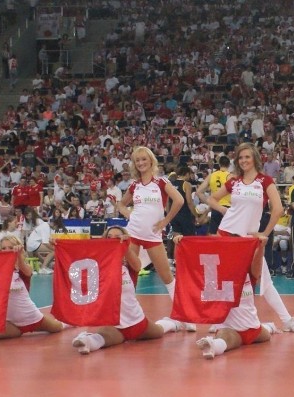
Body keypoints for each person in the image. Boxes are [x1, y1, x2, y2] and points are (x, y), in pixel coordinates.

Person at [206, 143, 294, 333]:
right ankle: (220, 320)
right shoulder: (233, 181)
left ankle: (287, 320)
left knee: (264, 280)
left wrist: (264, 234)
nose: (243, 161)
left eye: (247, 157)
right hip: (225, 234)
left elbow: (278, 210)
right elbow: (211, 199)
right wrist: (226, 211)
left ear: (255, 159)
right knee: (224, 280)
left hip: (249, 240)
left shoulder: (265, 181)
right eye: (240, 158)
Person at [72, 226, 194, 354]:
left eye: (117, 236)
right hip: (114, 324)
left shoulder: (128, 265)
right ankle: (86, 341)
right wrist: (57, 246)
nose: (113, 239)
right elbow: (78, 258)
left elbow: (137, 265)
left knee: (158, 331)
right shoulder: (98, 266)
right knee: (103, 338)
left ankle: (176, 323)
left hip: (137, 321)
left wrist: (125, 247)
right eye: (109, 237)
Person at [185, 234, 279, 359]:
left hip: (252, 328)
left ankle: (269, 326)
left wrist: (261, 247)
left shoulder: (248, 274)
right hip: (229, 328)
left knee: (265, 335)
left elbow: (257, 269)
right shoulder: (215, 275)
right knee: (226, 339)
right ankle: (212, 345)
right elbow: (190, 262)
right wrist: (181, 244)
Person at [117, 146, 184, 301]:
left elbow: (179, 200)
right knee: (129, 275)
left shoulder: (161, 182)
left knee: (166, 276)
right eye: (137, 160)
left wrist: (165, 221)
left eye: (144, 159)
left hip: (153, 235)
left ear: (151, 160)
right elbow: (121, 204)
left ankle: (182, 314)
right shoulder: (134, 185)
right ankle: (126, 312)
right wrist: (129, 214)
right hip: (133, 234)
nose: (141, 163)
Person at [197, 155, 232, 235]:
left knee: (213, 234)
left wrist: (209, 202)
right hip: (227, 208)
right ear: (229, 165)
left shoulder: (212, 175)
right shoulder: (230, 176)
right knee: (228, 235)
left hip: (215, 207)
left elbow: (199, 192)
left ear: (219, 164)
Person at [168, 166, 200, 238]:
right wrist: (195, 215)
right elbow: (189, 202)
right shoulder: (186, 184)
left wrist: (168, 214)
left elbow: (168, 201)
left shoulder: (170, 184)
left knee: (177, 239)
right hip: (184, 215)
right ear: (187, 174)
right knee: (189, 239)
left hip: (173, 215)